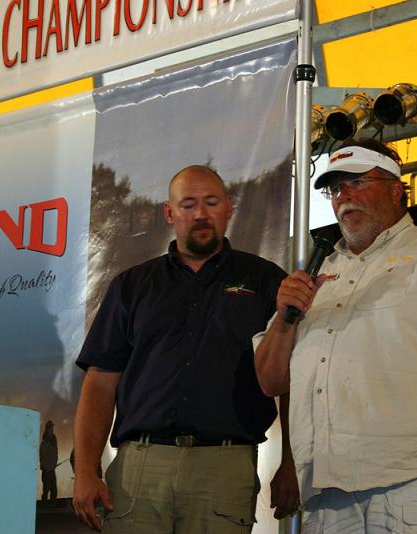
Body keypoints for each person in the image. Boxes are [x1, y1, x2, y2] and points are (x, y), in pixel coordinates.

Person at [253, 139, 417, 532]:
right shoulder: (316, 277)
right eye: (336, 189)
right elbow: (272, 382)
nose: (344, 197)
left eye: (357, 183)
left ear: (396, 190)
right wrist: (284, 322)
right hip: (327, 490)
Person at [72, 165, 299, 533]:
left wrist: (290, 463)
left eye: (211, 203)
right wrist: (85, 470)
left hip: (225, 467)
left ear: (229, 207)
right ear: (169, 212)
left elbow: (291, 380)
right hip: (138, 468)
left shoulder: (268, 281)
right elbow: (100, 382)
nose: (200, 214)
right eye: (188, 204)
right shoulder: (131, 286)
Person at [40, 420, 59, 502]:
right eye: (50, 427)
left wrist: (54, 464)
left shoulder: (53, 441)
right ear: (47, 429)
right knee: (46, 490)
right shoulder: (44, 443)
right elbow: (42, 458)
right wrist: (47, 467)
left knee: (54, 491)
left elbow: (55, 454)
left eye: (52, 427)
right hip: (47, 471)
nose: (52, 429)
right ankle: (44, 506)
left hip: (52, 470)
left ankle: (52, 506)